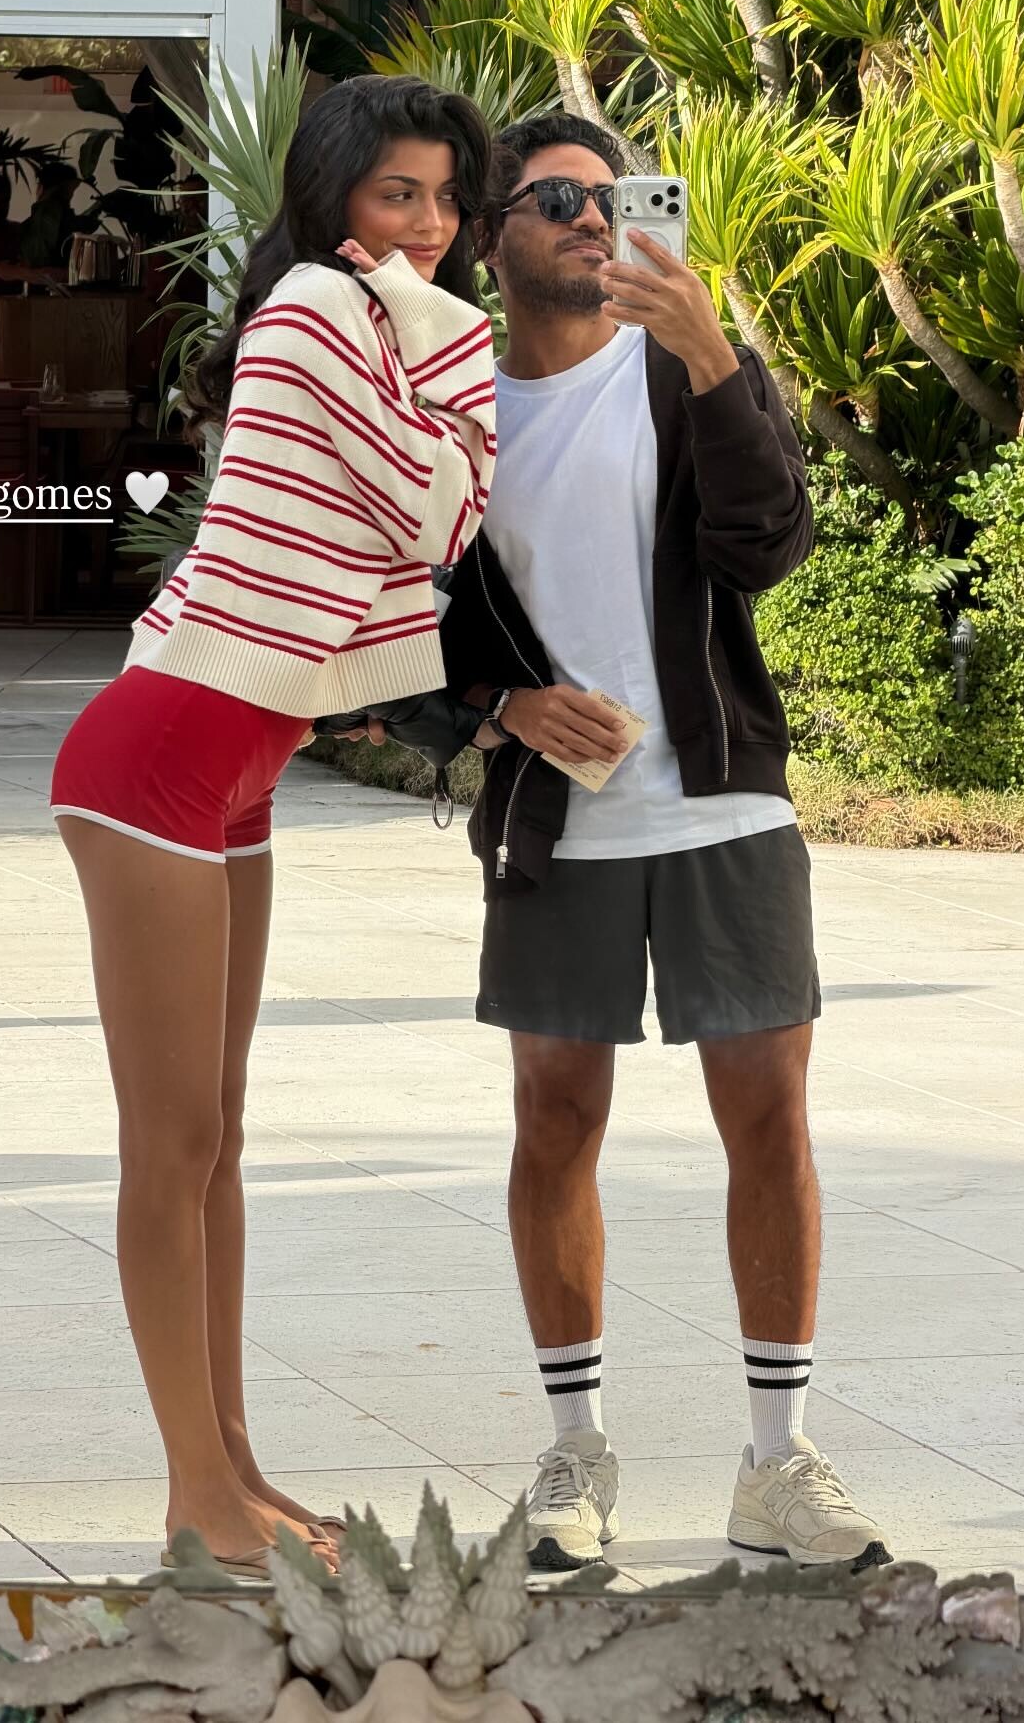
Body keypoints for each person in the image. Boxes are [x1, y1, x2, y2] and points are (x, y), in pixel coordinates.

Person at [48, 76, 496, 1579]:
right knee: (170, 1141)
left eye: (446, 199)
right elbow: (437, 507)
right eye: (396, 195)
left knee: (219, 1137)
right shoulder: (314, 308)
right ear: (332, 200)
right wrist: (437, 348)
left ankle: (235, 1467)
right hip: (158, 760)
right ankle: (195, 1493)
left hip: (234, 771)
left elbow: (457, 490)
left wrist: (434, 375)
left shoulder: (374, 322)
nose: (429, 226)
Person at [437, 112, 888, 1575]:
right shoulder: (454, 407)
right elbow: (408, 609)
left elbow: (768, 544)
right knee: (555, 1120)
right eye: (555, 198)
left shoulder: (681, 369)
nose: (590, 217)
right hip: (555, 815)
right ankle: (574, 1454)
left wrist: (709, 354)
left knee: (768, 1114)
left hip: (722, 796)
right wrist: (504, 701)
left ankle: (778, 1460)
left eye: (609, 195)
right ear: (492, 233)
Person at [17, 159, 81, 272]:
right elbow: (38, 259)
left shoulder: (45, 215)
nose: (71, 195)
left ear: (40, 187)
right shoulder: (48, 214)